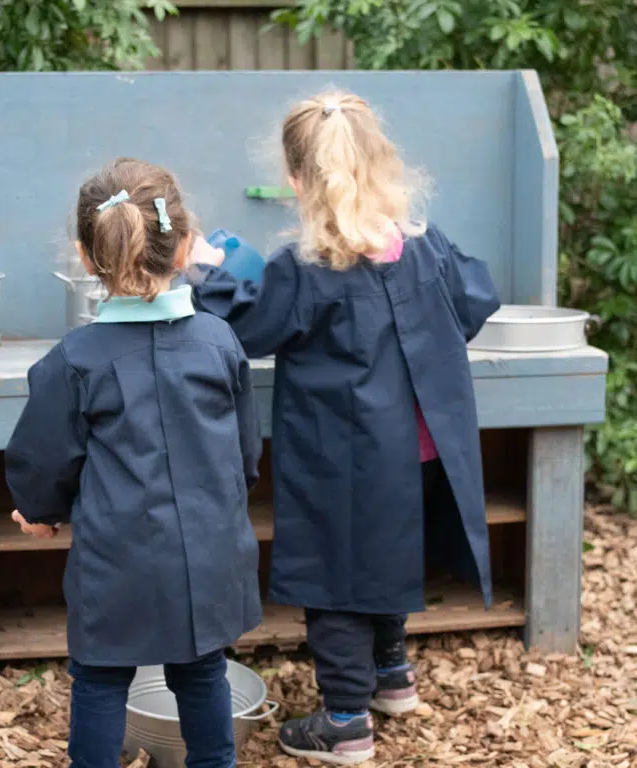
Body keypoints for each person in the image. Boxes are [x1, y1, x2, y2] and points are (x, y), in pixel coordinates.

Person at [186, 90, 500, 766]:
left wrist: (210, 274)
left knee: (336, 575)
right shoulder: (420, 244)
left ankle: (346, 722)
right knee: (384, 555)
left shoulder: (306, 269)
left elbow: (247, 329)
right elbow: (476, 301)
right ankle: (391, 677)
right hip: (418, 446)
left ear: (297, 182)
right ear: (382, 165)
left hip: (348, 455)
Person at [4, 157, 262, 768]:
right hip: (207, 551)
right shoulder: (218, 341)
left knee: (100, 680)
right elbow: (245, 449)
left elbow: (45, 457)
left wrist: (40, 513)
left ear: (86, 257)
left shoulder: (75, 360)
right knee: (201, 675)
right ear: (183, 250)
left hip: (116, 559)